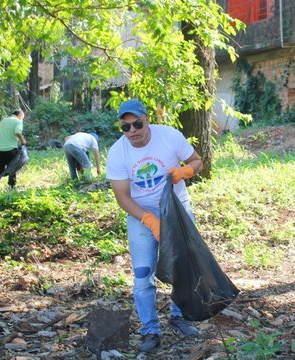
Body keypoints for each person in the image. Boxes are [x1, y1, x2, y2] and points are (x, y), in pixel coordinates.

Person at [106, 99, 203, 353]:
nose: (133, 131)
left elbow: (197, 161)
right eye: (126, 127)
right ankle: (150, 329)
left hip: (176, 208)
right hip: (141, 213)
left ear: (147, 119)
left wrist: (185, 172)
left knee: (182, 265)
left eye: (137, 124)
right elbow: (122, 198)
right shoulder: (118, 152)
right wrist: (149, 220)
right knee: (142, 274)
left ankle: (178, 316)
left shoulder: (169, 136)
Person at [0, 109, 26, 190]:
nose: (22, 119)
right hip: (10, 150)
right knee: (12, 168)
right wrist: (23, 141)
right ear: (19, 115)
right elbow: (17, 132)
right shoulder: (18, 121)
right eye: (22, 117)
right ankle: (11, 187)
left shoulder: (3, 120)